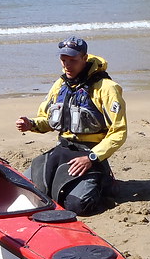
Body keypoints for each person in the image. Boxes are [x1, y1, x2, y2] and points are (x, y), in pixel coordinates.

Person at [15, 36, 127, 215]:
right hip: (63, 150)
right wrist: (31, 124)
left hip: (90, 154)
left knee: (77, 205)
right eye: (63, 60)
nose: (67, 65)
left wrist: (91, 158)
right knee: (29, 191)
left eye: (73, 60)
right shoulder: (60, 84)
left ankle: (104, 181)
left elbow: (118, 132)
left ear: (84, 58)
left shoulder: (107, 88)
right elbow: (48, 120)